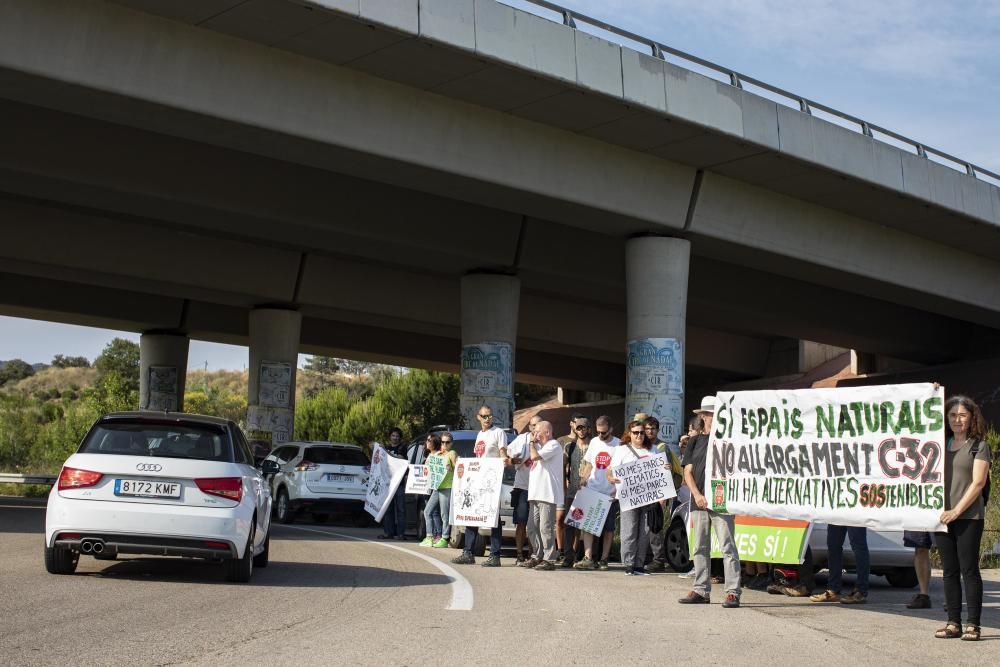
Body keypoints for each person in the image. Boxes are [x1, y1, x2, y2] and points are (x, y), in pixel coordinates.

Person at [933, 395, 991, 641]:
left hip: (968, 516)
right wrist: (931, 393)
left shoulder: (979, 446)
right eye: (953, 415)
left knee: (969, 570)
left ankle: (973, 625)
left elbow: (978, 483)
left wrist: (956, 511)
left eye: (962, 415)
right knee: (949, 571)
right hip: (940, 516)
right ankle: (953, 622)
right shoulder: (937, 443)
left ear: (971, 417)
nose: (957, 420)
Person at [678, 396, 742, 608]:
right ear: (703, 417)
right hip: (699, 501)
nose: (717, 418)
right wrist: (697, 495)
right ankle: (701, 590)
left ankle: (732, 591)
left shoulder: (729, 440)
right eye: (714, 414)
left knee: (727, 546)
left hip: (722, 501)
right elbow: (687, 472)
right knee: (699, 546)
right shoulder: (695, 441)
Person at [452, 405, 508, 566]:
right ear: (478, 417)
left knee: (493, 518)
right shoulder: (480, 435)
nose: (487, 419)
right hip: (478, 482)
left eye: (489, 416)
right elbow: (478, 457)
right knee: (472, 515)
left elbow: (503, 455)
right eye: (484, 416)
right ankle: (468, 552)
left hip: (491, 483)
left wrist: (502, 463)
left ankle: (495, 555)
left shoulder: (498, 433)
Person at [607, 421, 657, 575]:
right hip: (628, 496)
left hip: (648, 497)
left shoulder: (653, 450)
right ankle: (628, 563)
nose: (639, 435)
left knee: (644, 531)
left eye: (642, 432)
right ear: (630, 434)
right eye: (635, 432)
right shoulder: (621, 450)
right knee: (629, 530)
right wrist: (610, 478)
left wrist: (665, 468)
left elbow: (659, 471)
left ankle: (639, 564)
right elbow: (610, 470)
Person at [574, 415, 620, 571]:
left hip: (610, 493)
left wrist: (617, 490)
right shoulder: (594, 442)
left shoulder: (619, 445)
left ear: (611, 429)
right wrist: (583, 479)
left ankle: (604, 559)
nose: (601, 435)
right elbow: (589, 464)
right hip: (593, 489)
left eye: (604, 433)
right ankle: (588, 557)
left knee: (608, 529)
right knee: (588, 526)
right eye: (598, 432)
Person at [645, 416, 684, 572]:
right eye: (647, 429)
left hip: (657, 493)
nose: (649, 432)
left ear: (657, 430)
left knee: (655, 526)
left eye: (653, 428)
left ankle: (658, 559)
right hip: (643, 493)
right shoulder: (641, 446)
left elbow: (664, 473)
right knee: (645, 527)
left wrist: (664, 495)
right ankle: (647, 557)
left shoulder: (662, 447)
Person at [524, 421, 564, 571]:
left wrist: (531, 444)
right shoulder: (540, 447)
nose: (535, 434)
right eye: (534, 431)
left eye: (538, 431)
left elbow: (534, 457)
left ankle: (549, 558)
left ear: (547, 432)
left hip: (547, 494)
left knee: (545, 528)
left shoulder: (553, 445)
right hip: (535, 494)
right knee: (532, 527)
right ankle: (537, 555)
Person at [506, 415, 541, 564]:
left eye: (538, 425)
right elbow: (508, 452)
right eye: (532, 425)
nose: (535, 428)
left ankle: (533, 554)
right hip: (522, 487)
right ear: (529, 427)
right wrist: (513, 460)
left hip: (538, 489)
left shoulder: (545, 440)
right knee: (521, 522)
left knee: (536, 524)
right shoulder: (522, 439)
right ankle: (519, 554)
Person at [809, 522, 870, 604]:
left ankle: (861, 591)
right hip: (837, 512)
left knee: (858, 546)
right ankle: (833, 590)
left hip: (855, 512)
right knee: (833, 545)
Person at [561, 417, 591, 567]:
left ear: (588, 429)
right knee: (569, 524)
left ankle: (585, 556)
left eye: (584, 428)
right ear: (575, 429)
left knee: (587, 525)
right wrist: (564, 487)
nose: (581, 430)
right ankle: (568, 556)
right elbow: (563, 467)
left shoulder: (594, 445)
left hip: (590, 491)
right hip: (572, 491)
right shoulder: (569, 446)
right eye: (578, 428)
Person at [421, 433, 456, 548]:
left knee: (444, 514)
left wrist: (451, 469)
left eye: (447, 442)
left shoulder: (452, 453)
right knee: (427, 511)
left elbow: (459, 469)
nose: (444, 444)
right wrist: (428, 463)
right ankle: (429, 537)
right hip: (437, 486)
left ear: (451, 443)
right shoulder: (439, 454)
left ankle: (445, 538)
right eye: (442, 442)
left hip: (446, 487)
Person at [379, 427, 407, 540]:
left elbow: (399, 458)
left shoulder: (402, 448)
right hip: (388, 484)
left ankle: (401, 534)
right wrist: (377, 447)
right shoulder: (386, 447)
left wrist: (384, 451)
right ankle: (388, 532)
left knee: (401, 509)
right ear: (389, 437)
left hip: (399, 483)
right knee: (388, 509)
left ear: (399, 438)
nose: (395, 438)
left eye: (397, 436)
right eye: (393, 435)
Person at [903, 529, 933, 609]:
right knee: (920, 547)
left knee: (947, 546)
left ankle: (952, 598)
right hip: (918, 519)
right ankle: (924, 596)